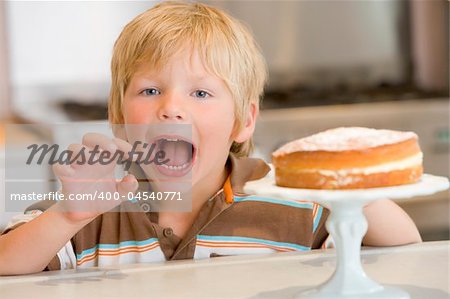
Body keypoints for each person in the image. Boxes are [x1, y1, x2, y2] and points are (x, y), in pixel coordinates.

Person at [0, 1, 421, 275]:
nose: (172, 107)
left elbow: (406, 254)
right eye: (150, 90)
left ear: (243, 121)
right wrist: (67, 217)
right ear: (118, 117)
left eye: (201, 93)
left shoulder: (289, 201)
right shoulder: (90, 210)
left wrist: (344, 182)